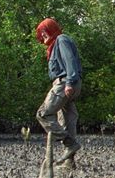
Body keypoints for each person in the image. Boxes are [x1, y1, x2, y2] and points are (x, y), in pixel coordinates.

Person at [35, 18, 83, 165]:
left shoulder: (61, 40)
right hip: (68, 82)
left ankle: (70, 144)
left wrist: (69, 82)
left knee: (43, 114)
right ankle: (69, 162)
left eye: (44, 33)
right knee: (68, 120)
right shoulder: (56, 44)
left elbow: (70, 61)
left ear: (51, 29)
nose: (43, 37)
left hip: (65, 82)